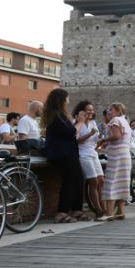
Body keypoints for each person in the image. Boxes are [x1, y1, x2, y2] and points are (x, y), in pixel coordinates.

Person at [42, 89, 84, 223]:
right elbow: (71, 132)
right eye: (67, 98)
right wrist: (81, 122)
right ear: (61, 100)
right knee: (69, 182)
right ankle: (62, 212)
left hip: (66, 153)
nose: (68, 101)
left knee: (78, 179)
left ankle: (77, 209)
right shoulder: (58, 116)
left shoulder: (56, 115)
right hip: (63, 154)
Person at [99, 102, 133, 221]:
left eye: (111, 109)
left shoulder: (115, 120)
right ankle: (121, 211)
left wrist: (103, 140)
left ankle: (109, 213)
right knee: (122, 182)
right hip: (125, 154)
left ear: (118, 111)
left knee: (111, 182)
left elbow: (116, 136)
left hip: (116, 155)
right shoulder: (126, 122)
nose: (109, 112)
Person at [73, 100, 105, 219]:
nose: (91, 112)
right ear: (81, 111)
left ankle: (104, 207)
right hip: (83, 154)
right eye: (88, 110)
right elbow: (75, 140)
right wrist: (89, 134)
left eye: (92, 110)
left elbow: (96, 140)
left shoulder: (93, 123)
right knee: (93, 182)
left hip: (93, 153)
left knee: (101, 180)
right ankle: (98, 210)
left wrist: (101, 133)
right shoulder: (76, 123)